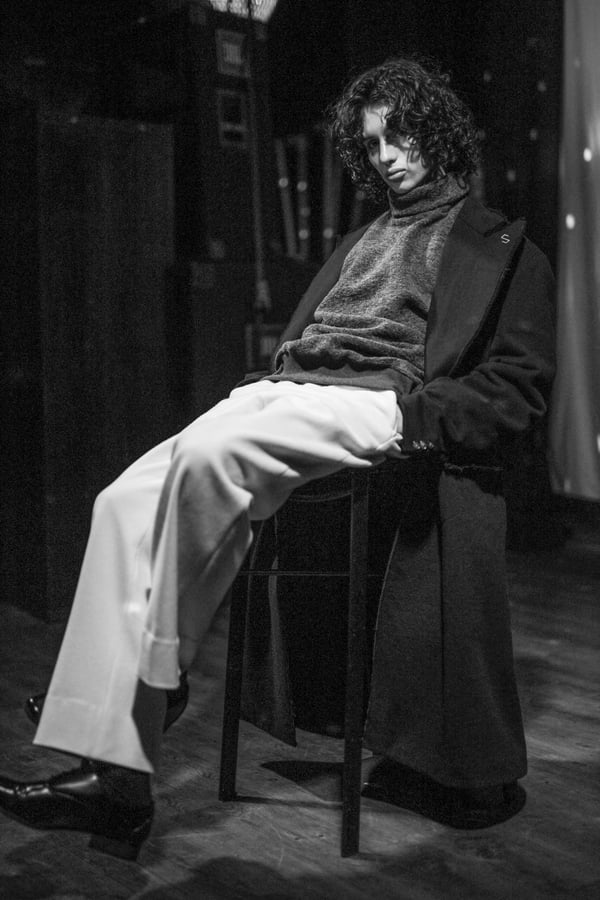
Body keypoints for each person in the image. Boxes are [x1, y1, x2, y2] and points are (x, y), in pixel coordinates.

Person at [0, 56, 555, 860]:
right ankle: (114, 782)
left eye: (400, 135)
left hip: (380, 399)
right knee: (119, 502)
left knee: (211, 456)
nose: (387, 156)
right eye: (372, 144)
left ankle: (156, 679)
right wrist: (271, 383)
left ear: (436, 131)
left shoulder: (501, 245)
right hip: (288, 388)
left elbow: (519, 389)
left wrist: (418, 417)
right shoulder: (362, 239)